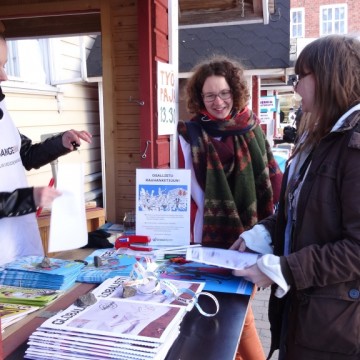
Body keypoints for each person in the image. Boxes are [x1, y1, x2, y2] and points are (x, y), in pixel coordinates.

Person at [231, 34, 360, 360]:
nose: (295, 87)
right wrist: (260, 235)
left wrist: (284, 269)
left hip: (338, 329)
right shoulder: (323, 137)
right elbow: (298, 213)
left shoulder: (354, 146)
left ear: (329, 76)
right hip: (310, 316)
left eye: (300, 77)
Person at [177, 55, 282, 360]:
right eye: (209, 95)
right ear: (200, 98)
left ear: (235, 93)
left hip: (249, 236)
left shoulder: (252, 128)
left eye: (224, 93)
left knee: (237, 313)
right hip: (203, 237)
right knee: (225, 313)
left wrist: (275, 228)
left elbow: (273, 181)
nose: (218, 102)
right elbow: (182, 186)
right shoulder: (189, 134)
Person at [0, 34, 92, 266]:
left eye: (3, 65)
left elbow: (24, 155)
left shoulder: (2, 107)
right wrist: (28, 198)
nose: (5, 75)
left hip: (20, 238)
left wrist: (60, 142)